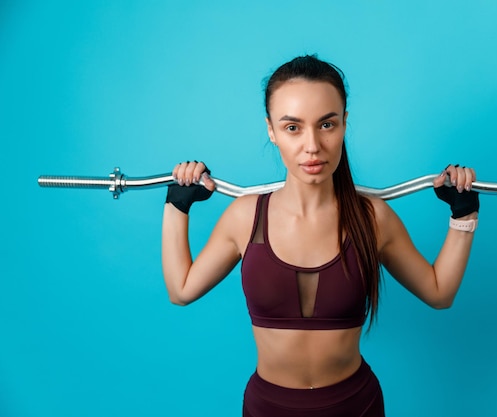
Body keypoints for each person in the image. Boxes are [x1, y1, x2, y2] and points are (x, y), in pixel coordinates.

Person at [161, 55, 479, 416]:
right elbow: (181, 289)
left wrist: (463, 215)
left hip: (356, 405)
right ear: (271, 131)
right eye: (292, 128)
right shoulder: (245, 216)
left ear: (344, 123)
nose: (312, 146)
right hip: (269, 408)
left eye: (326, 124)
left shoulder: (372, 218)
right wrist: (177, 205)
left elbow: (439, 293)